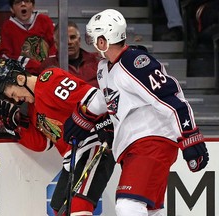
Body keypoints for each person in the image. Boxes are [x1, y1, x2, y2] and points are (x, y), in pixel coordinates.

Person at [63, 9, 209, 216]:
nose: (91, 43)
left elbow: (171, 99)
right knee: (151, 209)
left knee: (128, 205)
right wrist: (82, 118)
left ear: (104, 41)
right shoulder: (105, 67)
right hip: (134, 146)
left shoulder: (135, 62)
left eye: (94, 38)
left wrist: (190, 136)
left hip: (152, 141)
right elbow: (106, 98)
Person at [0, 58, 115, 215]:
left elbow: (90, 96)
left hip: (93, 143)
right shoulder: (33, 110)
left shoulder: (49, 79)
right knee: (59, 209)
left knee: (79, 207)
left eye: (13, 93)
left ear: (20, 79)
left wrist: (104, 124)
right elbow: (42, 144)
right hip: (73, 155)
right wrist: (18, 127)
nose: (16, 100)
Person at [0, 0, 57, 75]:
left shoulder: (44, 20)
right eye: (18, 2)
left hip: (49, 71)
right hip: (21, 74)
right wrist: (30, 63)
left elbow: (55, 45)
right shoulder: (7, 27)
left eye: (27, 1)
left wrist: (50, 64)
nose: (23, 4)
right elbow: (5, 56)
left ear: (33, 6)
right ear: (12, 9)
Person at [39, 21, 101, 87]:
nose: (69, 42)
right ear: (56, 44)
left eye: (72, 37)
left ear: (79, 40)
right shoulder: (48, 65)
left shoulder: (96, 60)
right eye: (64, 38)